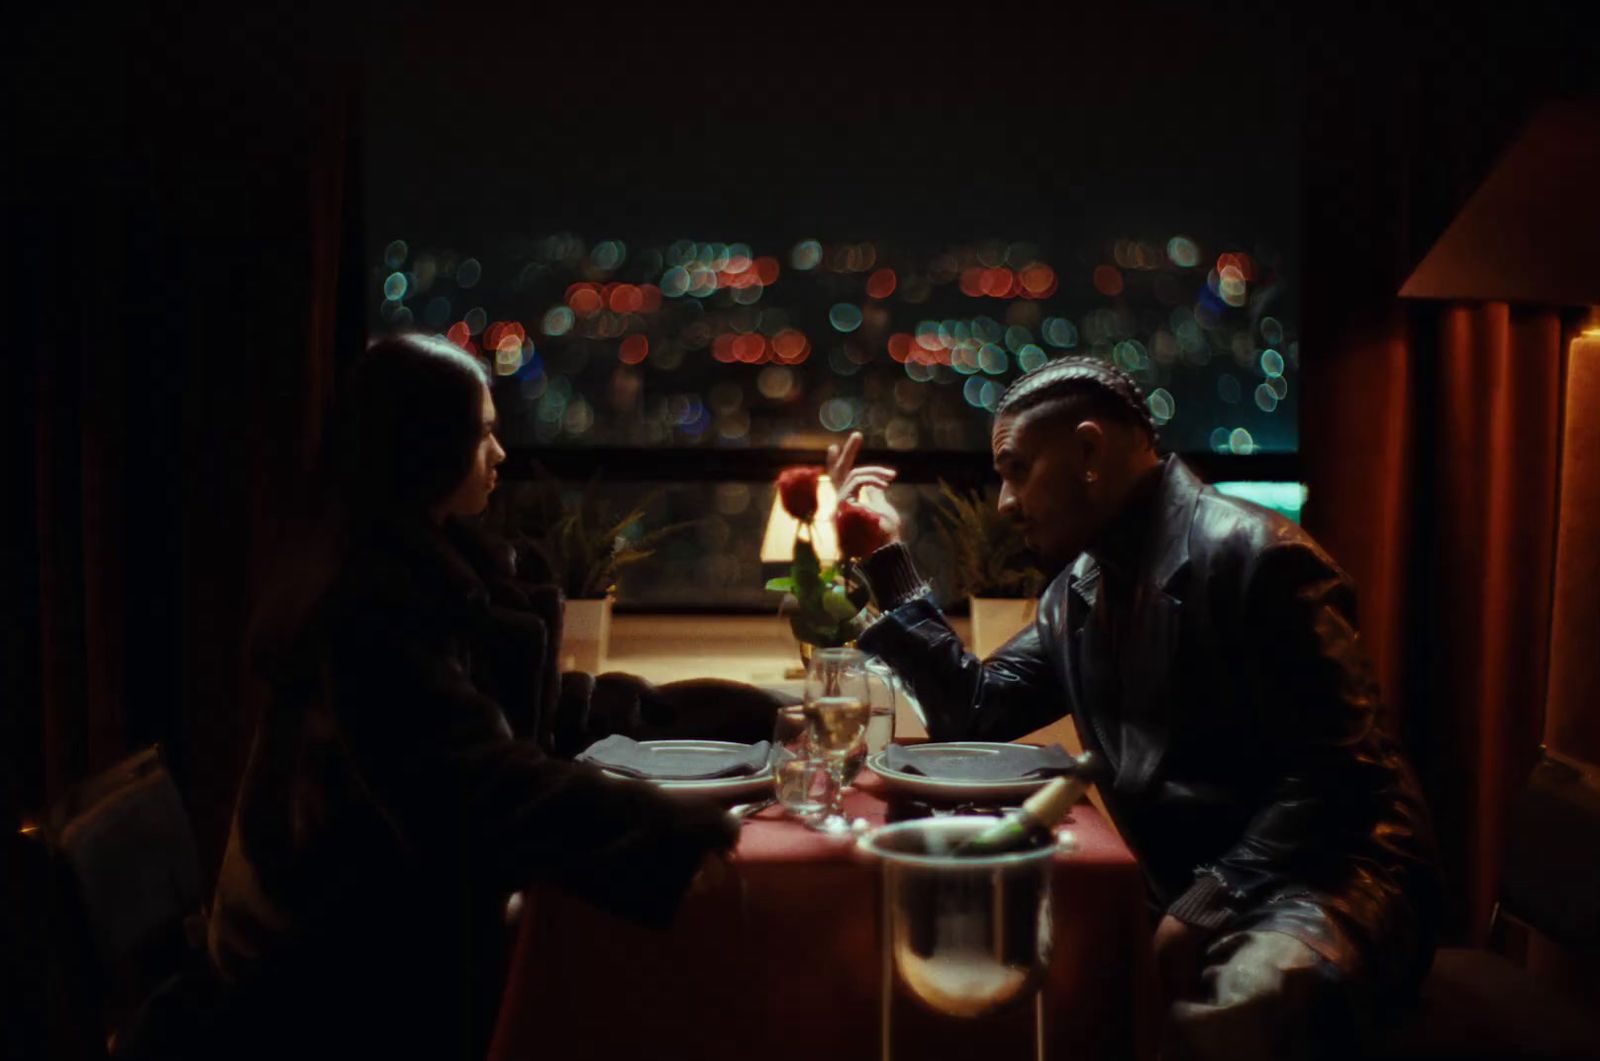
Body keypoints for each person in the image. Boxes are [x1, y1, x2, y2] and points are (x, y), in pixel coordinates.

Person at [829, 356, 1439, 1061]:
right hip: (1191, 879)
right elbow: (976, 708)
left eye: (1016, 468)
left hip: (1336, 877)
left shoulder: (1257, 556)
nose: (1003, 501)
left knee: (1250, 997)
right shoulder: (1078, 592)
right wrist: (885, 557)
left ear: (1088, 451)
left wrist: (1209, 899)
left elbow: (1342, 772)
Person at [202, 333, 743, 1061]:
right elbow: (472, 781)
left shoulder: (405, 562)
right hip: (332, 969)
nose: (501, 453)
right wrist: (672, 825)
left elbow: (508, 720)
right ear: (430, 444)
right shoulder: (369, 606)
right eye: (484, 431)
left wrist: (720, 714)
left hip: (366, 921)